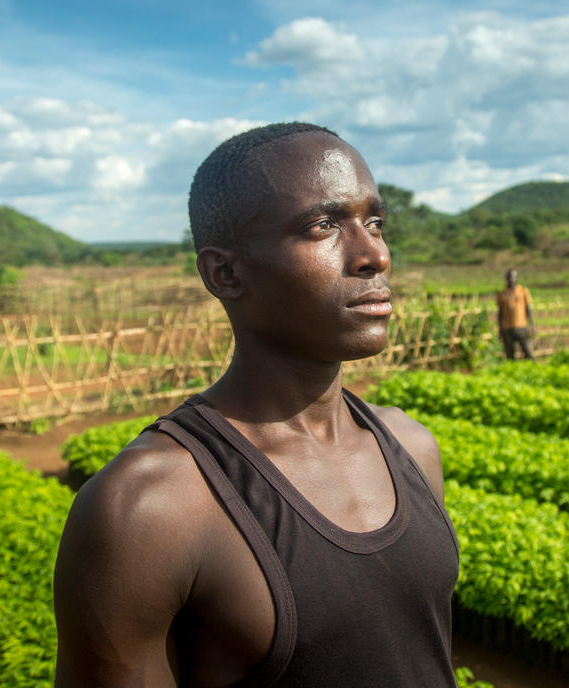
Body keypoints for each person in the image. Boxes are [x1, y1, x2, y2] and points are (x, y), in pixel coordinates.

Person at [53, 122, 459, 687]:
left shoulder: (413, 449)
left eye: (374, 223)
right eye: (323, 226)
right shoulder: (149, 510)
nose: (375, 255)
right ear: (225, 273)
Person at [496, 268, 534, 360]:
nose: (511, 279)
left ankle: (531, 366)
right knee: (510, 354)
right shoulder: (502, 294)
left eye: (513, 277)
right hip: (507, 328)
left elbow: (528, 309)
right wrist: (500, 329)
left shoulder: (523, 291)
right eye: (509, 277)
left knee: (527, 351)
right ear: (506, 278)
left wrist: (532, 324)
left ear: (516, 278)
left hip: (521, 326)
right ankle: (512, 367)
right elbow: (500, 313)